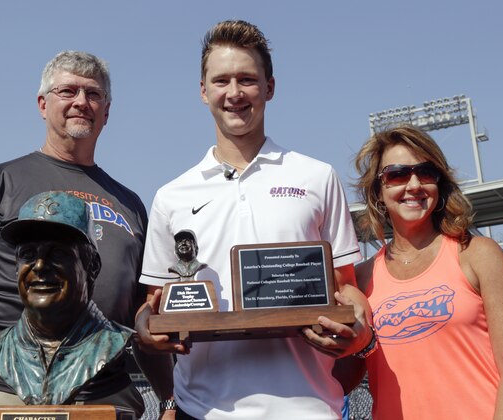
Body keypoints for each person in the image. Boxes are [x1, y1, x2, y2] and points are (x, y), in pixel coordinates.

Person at [135, 20, 374, 419]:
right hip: (204, 410)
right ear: (203, 90)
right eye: (221, 80)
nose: (234, 93)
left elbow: (346, 291)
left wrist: (359, 333)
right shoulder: (171, 196)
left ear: (269, 87)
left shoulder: (315, 177)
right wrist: (145, 329)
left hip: (308, 408)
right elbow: (153, 305)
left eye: (247, 79)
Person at [0, 51, 173, 419]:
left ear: (107, 109)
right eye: (67, 91)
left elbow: (142, 311)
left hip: (105, 392)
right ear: (42, 104)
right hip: (3, 390)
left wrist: (168, 399)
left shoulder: (130, 204)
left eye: (93, 94)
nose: (81, 102)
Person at [353, 125, 503, 419]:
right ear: (378, 192)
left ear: (440, 183)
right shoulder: (361, 279)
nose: (413, 185)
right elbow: (346, 374)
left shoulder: (478, 254)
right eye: (397, 174)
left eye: (425, 172)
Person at [0, 191, 135, 406]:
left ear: (92, 267)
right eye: (28, 254)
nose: (39, 266)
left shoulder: (113, 342)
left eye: (57, 254)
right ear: (15, 268)